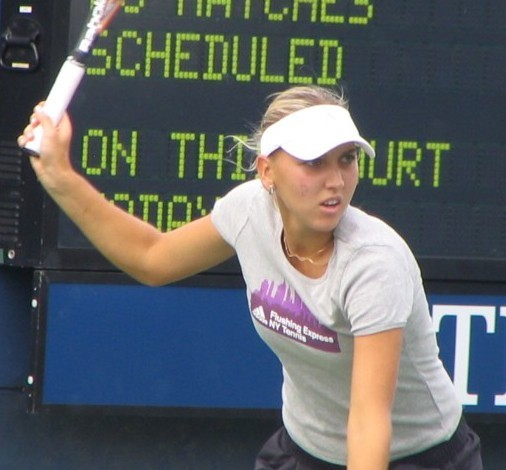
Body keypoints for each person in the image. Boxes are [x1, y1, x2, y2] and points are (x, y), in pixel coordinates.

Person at [18, 85, 482, 469]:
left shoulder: (374, 264)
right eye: (314, 162)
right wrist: (60, 176)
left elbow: (368, 420)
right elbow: (151, 257)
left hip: (418, 457)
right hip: (304, 449)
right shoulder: (247, 212)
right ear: (267, 171)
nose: (336, 180)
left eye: (346, 160)